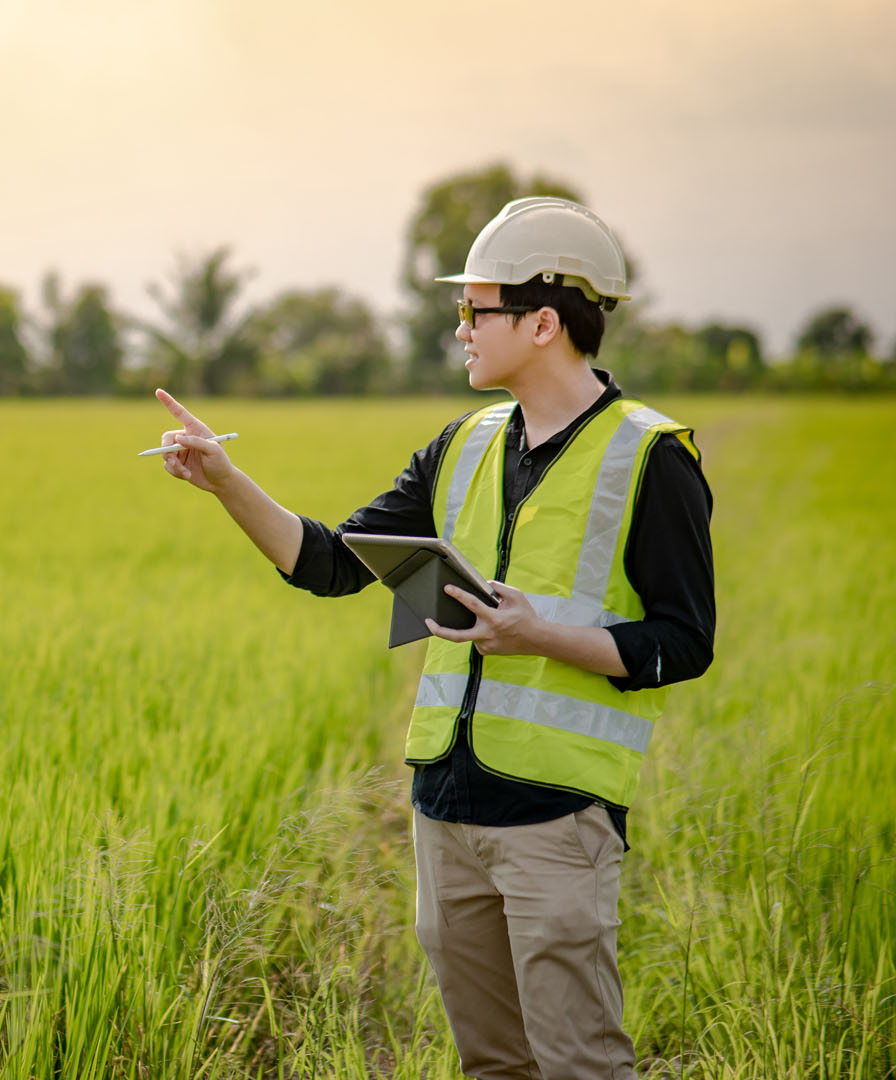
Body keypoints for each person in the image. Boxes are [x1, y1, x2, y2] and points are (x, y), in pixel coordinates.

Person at [152, 196, 714, 1079]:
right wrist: (226, 482)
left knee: (580, 1064)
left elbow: (683, 643)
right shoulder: (460, 447)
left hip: (556, 821)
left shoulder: (650, 457)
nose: (457, 326)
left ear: (541, 322)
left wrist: (541, 636)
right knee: (492, 1065)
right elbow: (334, 562)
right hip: (446, 811)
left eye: (473, 309)